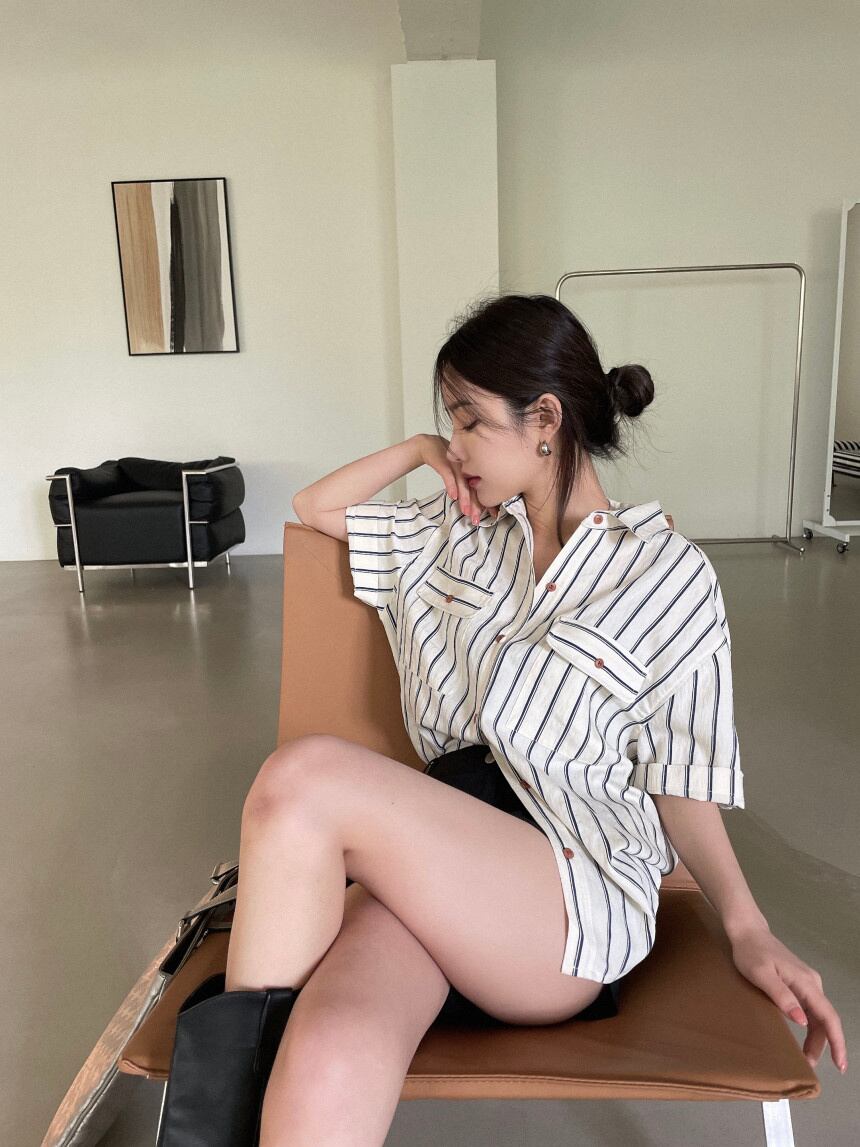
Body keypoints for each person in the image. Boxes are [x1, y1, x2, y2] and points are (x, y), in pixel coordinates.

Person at [156, 294, 847, 1147]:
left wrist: (746, 925)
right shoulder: (456, 532)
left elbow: (682, 776)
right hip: (437, 855)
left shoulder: (667, 576)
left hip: (567, 885)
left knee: (302, 777)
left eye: (470, 420)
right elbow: (314, 505)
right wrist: (421, 450)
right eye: (451, 421)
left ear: (545, 420)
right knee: (328, 1043)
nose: (457, 445)